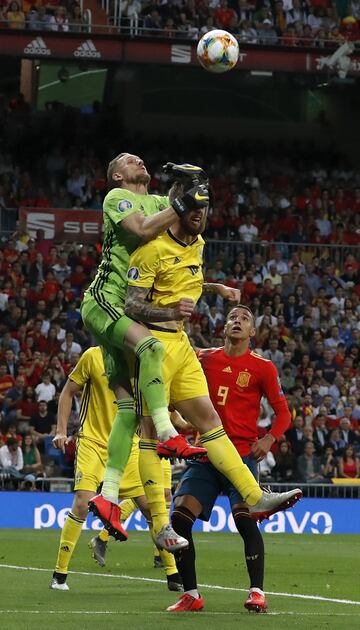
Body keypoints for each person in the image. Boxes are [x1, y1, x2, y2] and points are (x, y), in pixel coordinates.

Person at [124, 193, 302, 542]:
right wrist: (172, 312)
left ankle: (255, 495)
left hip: (182, 344)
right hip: (153, 343)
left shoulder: (198, 245)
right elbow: (132, 305)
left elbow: (183, 283)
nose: (200, 216)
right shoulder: (150, 249)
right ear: (175, 210)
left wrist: (215, 288)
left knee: (209, 422)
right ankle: (160, 525)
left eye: (204, 210)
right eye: (192, 208)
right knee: (150, 430)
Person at [71, 155, 209, 548]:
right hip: (107, 300)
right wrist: (183, 202)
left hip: (125, 310)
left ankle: (110, 496)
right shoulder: (118, 196)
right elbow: (145, 230)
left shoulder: (159, 201)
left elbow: (182, 229)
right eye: (130, 159)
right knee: (149, 346)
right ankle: (167, 432)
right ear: (117, 174)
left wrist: (192, 188)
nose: (139, 160)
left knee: (129, 409)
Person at [162, 305, 294, 613]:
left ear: (252, 333)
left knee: (245, 520)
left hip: (241, 455)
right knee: (179, 519)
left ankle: (257, 592)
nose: (237, 321)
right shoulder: (203, 358)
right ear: (224, 328)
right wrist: (175, 419)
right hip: (205, 452)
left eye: (245, 318)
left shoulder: (263, 367)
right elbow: (175, 386)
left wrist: (270, 438)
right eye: (232, 317)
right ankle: (191, 594)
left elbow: (284, 413)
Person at [50, 346, 182, 592]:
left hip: (128, 446)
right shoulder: (92, 356)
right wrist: (61, 430)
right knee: (81, 502)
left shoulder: (140, 360)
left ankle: (174, 574)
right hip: (93, 442)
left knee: (152, 509)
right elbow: (68, 392)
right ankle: (60, 574)